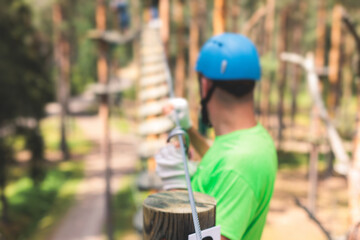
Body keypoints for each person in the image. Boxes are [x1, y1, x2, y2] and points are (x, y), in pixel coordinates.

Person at [155, 33, 278, 240]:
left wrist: (175, 189)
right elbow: (219, 161)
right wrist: (189, 130)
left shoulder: (238, 166)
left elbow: (229, 168)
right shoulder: (253, 139)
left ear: (205, 84)